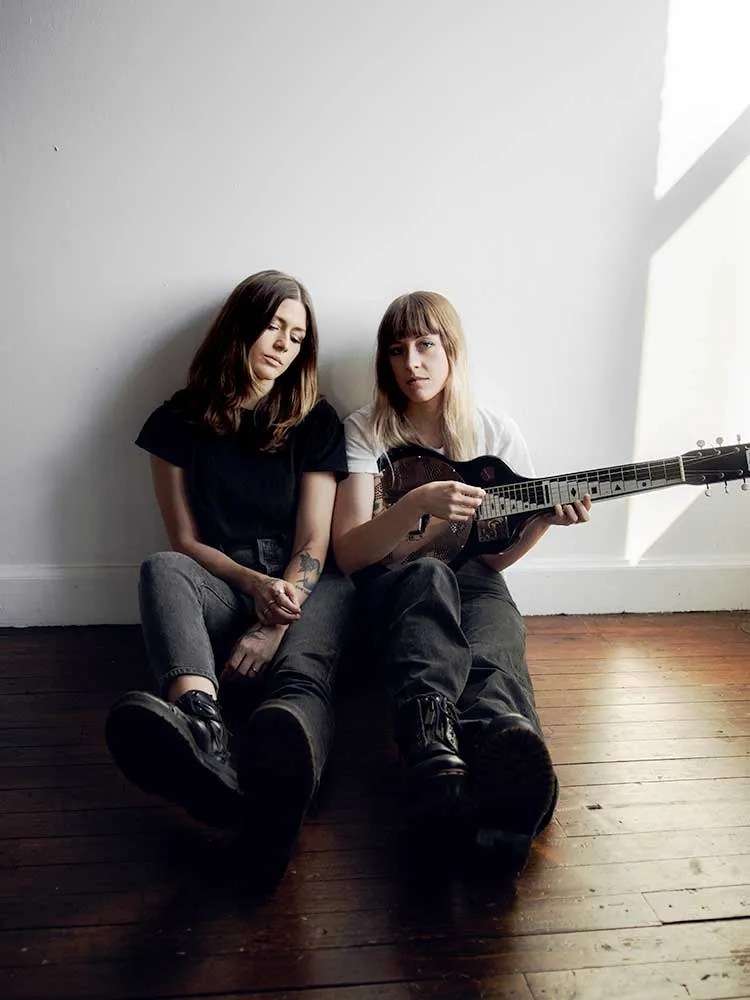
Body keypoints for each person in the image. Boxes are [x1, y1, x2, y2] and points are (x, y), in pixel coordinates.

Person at [105, 269, 352, 887]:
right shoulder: (177, 421)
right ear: (240, 326)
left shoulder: (316, 421)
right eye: (272, 326)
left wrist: (271, 624)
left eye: (296, 338)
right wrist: (250, 586)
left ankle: (283, 774)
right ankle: (203, 734)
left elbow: (315, 542)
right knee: (162, 569)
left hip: (307, 583)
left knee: (300, 678)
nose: (281, 345)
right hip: (223, 577)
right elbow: (185, 542)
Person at [332, 290, 591, 876]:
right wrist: (416, 505)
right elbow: (349, 554)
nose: (412, 363)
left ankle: (506, 750)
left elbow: (494, 564)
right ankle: (431, 754)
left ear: (452, 351)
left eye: (426, 345)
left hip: (472, 577)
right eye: (397, 350)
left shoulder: (493, 434)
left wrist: (544, 523)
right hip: (396, 582)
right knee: (425, 574)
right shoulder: (365, 432)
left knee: (497, 626)